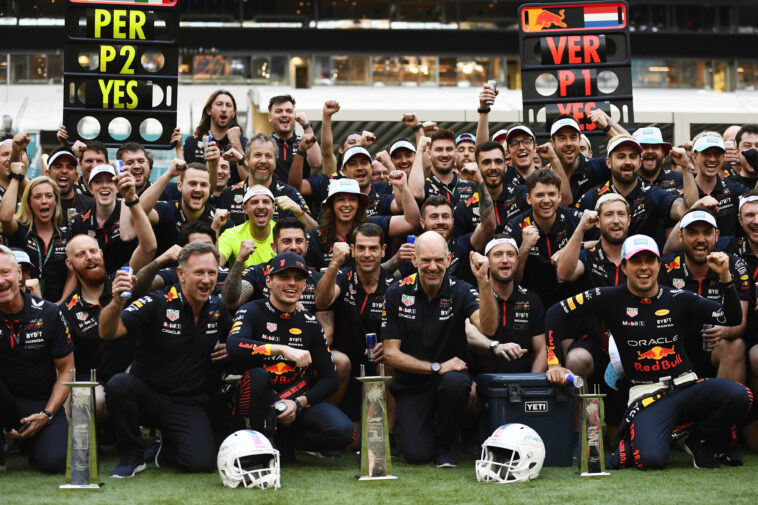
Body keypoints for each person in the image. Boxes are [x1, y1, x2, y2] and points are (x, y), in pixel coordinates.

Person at [545, 234, 752, 470]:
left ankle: (699, 439)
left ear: (658, 265)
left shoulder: (678, 297)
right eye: (636, 261)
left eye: (650, 260)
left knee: (740, 396)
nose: (644, 267)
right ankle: (668, 433)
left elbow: (732, 318)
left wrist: (725, 277)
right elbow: (555, 313)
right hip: (647, 396)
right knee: (651, 460)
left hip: (687, 387)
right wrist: (554, 362)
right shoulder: (608, 297)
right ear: (624, 267)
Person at [100, 242, 232, 477]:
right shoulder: (156, 302)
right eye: (199, 272)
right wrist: (117, 301)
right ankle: (132, 454)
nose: (206, 280)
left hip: (186, 403)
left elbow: (235, 337)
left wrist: (230, 348)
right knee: (119, 384)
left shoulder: (218, 307)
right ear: (181, 274)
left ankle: (165, 447)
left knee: (200, 465)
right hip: (147, 395)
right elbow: (109, 332)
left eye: (212, 273)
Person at [383, 232, 497, 467]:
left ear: (448, 259)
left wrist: (484, 281)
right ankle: (427, 436)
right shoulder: (396, 292)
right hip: (412, 384)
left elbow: (488, 328)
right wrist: (436, 367)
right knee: (417, 456)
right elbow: (390, 354)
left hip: (451, 380)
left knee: (456, 382)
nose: (432, 267)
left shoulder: (462, 290)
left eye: (438, 260)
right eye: (425, 260)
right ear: (414, 261)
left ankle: (445, 447)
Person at [226, 252, 353, 461]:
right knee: (257, 376)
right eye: (284, 277)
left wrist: (300, 402)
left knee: (343, 431)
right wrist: (281, 349)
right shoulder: (251, 311)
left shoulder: (310, 322)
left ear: (305, 284)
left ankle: (287, 441)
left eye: (298, 278)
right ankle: (255, 446)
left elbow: (329, 378)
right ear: (269, 281)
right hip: (256, 403)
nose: (291, 283)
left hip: (293, 404)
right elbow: (233, 345)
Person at [59, 224, 155, 418]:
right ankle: (89, 446)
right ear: (70, 264)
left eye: (93, 251)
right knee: (83, 398)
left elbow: (148, 247)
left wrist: (131, 200)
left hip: (134, 374)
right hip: (96, 383)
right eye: (81, 254)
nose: (89, 257)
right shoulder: (66, 310)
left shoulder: (123, 284)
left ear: (101, 254)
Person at [0, 245, 73, 473]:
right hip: (3, 401)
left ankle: (30, 444)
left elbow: (66, 371)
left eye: (5, 272)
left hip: (39, 403)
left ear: (19, 274)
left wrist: (47, 414)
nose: (1, 281)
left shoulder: (49, 313)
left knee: (57, 462)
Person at [314, 222, 396, 421]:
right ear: (352, 250)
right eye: (361, 248)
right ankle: (326, 426)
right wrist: (334, 263)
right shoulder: (343, 276)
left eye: (373, 248)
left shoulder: (394, 286)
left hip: (377, 368)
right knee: (351, 440)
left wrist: (389, 347)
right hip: (345, 369)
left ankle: (389, 435)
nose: (367, 254)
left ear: (383, 251)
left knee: (391, 361)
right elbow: (322, 301)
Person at [658, 209, 749, 383]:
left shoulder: (734, 265)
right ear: (680, 235)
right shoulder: (666, 267)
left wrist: (723, 330)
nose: (700, 239)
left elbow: (740, 323)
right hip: (674, 350)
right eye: (692, 233)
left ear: (716, 236)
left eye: (707, 233)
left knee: (735, 345)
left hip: (713, 350)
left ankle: (725, 408)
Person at [555, 194, 631, 382]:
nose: (615, 220)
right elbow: (564, 273)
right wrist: (581, 228)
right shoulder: (588, 256)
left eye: (621, 214)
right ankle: (586, 412)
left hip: (634, 338)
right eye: (608, 215)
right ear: (597, 221)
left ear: (629, 220)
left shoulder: (639, 257)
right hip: (594, 341)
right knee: (576, 360)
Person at [577, 135, 690, 243]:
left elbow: (685, 210)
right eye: (621, 157)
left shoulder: (652, 194)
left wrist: (686, 167)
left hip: (646, 262)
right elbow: (579, 241)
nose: (627, 162)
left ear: (639, 162)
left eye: (633, 157)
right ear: (609, 162)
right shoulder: (591, 198)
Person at [466, 235, 547, 374]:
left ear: (517, 260)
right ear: (488, 262)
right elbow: (467, 334)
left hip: (521, 384)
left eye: (510, 254)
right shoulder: (471, 296)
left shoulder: (532, 300)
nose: (505, 260)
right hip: (478, 384)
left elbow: (542, 351)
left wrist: (531, 384)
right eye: (498, 255)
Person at [503, 170, 584, 308]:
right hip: (532, 302)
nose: (546, 200)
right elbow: (511, 279)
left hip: (572, 297)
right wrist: (524, 248)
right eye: (539, 195)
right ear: (529, 198)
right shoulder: (515, 226)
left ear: (559, 197)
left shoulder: (573, 218)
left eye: (551, 194)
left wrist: (570, 248)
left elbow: (602, 243)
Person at [305, 176, 419, 271]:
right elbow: (312, 279)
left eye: (352, 199)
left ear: (359, 204)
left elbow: (411, 222)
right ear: (330, 205)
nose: (347, 204)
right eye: (340, 199)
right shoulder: (316, 235)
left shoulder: (373, 225)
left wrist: (403, 187)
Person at [0, 170, 74, 303]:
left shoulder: (66, 233)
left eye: (49, 196)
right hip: (23, 306)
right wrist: (16, 178)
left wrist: (61, 303)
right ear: (29, 202)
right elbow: (5, 217)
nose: (44, 201)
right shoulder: (20, 230)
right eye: (37, 197)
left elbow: (73, 272)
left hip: (56, 307)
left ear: (56, 200)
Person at [218, 133, 315, 229]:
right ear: (247, 160)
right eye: (257, 155)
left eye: (268, 156)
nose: (263, 161)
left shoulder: (290, 194)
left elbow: (315, 232)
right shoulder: (229, 194)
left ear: (275, 161)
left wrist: (299, 212)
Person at [139, 160, 223, 256]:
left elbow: (218, 265)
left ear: (209, 188)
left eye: (203, 185)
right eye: (192, 183)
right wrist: (168, 175)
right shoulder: (168, 209)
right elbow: (138, 212)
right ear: (180, 186)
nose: (198, 189)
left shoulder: (218, 220)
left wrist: (215, 228)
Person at [70, 165, 142, 274]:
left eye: (110, 181)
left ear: (118, 186)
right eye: (98, 182)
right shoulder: (80, 221)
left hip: (126, 281)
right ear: (91, 189)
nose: (104, 186)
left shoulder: (130, 211)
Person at [132, 220, 227, 299]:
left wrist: (239, 261)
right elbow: (137, 290)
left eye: (207, 246)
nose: (203, 252)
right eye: (196, 247)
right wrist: (159, 261)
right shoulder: (173, 274)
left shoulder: (226, 274)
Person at [184, 90, 247, 185]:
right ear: (209, 110)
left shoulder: (242, 142)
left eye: (228, 105)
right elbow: (184, 181)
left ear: (234, 113)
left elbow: (248, 179)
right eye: (219, 104)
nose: (224, 109)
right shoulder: (192, 142)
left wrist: (236, 145)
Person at [692, 132, 747, 237]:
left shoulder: (734, 189)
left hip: (728, 253)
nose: (712, 159)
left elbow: (755, 200)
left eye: (717, 154)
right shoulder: (682, 192)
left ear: (723, 157)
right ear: (695, 157)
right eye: (706, 153)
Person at [410, 129, 477, 207]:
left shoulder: (471, 186)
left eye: (449, 149)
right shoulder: (424, 186)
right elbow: (414, 194)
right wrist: (419, 150)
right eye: (439, 150)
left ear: (455, 153)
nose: (444, 155)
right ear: (429, 154)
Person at [218, 186, 277, 268]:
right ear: (245, 208)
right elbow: (214, 264)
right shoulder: (231, 235)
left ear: (273, 207)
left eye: (266, 202)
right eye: (254, 202)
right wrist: (215, 228)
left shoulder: (284, 233)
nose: (261, 206)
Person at [268, 94, 322, 181]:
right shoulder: (264, 144)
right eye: (279, 111)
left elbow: (316, 163)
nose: (284, 115)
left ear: (294, 116)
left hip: (300, 194)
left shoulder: (303, 142)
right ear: (270, 117)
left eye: (289, 111)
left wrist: (306, 126)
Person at [45, 147, 94, 223]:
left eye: (70, 167)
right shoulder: (42, 204)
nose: (64, 171)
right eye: (58, 166)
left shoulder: (91, 205)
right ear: (48, 173)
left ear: (76, 175)